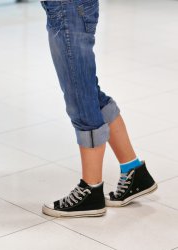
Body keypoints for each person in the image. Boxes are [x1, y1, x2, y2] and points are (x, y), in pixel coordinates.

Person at [40, 0, 157, 217]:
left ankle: (91, 190)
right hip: (69, 8)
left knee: (80, 99)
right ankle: (134, 170)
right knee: (87, 91)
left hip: (68, 9)